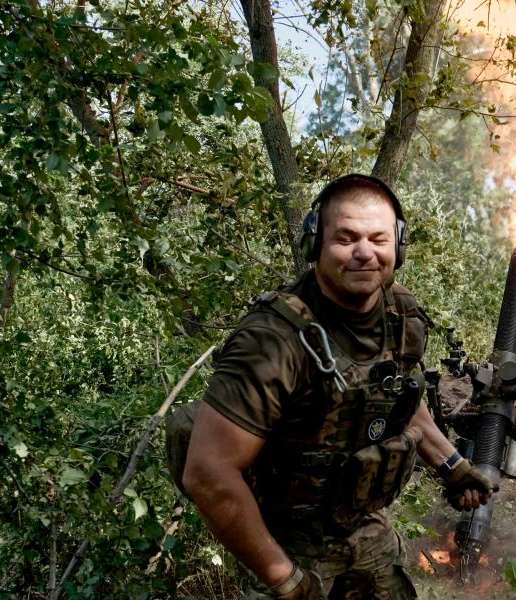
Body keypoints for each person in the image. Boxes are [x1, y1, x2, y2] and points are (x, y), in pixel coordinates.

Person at [182, 174, 495, 600]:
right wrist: (286, 580)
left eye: (378, 239)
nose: (364, 253)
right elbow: (209, 472)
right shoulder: (272, 341)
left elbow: (399, 397)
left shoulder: (400, 314)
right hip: (285, 541)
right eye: (346, 238)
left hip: (363, 525)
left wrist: (452, 465)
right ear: (316, 244)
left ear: (397, 246)